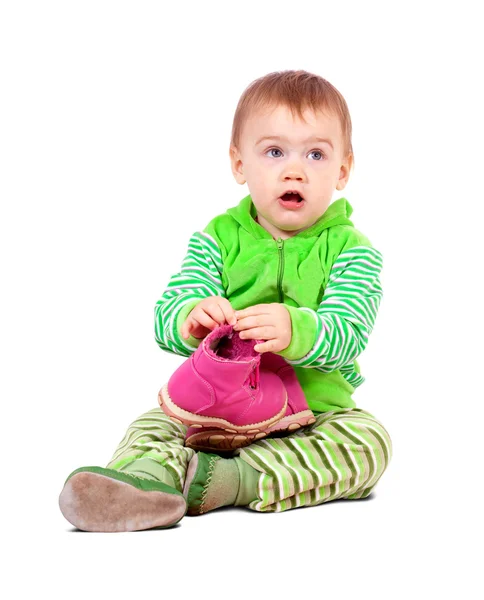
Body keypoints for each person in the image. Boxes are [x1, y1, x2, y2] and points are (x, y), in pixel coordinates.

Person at [58, 69, 393, 532]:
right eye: (274, 152)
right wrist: (189, 317)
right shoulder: (217, 239)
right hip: (212, 410)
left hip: (311, 414)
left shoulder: (353, 250)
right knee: (154, 423)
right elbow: (167, 312)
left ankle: (226, 480)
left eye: (315, 154)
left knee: (369, 443)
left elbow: (349, 334)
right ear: (239, 164)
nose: (294, 169)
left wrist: (296, 330)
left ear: (343, 170)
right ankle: (142, 482)